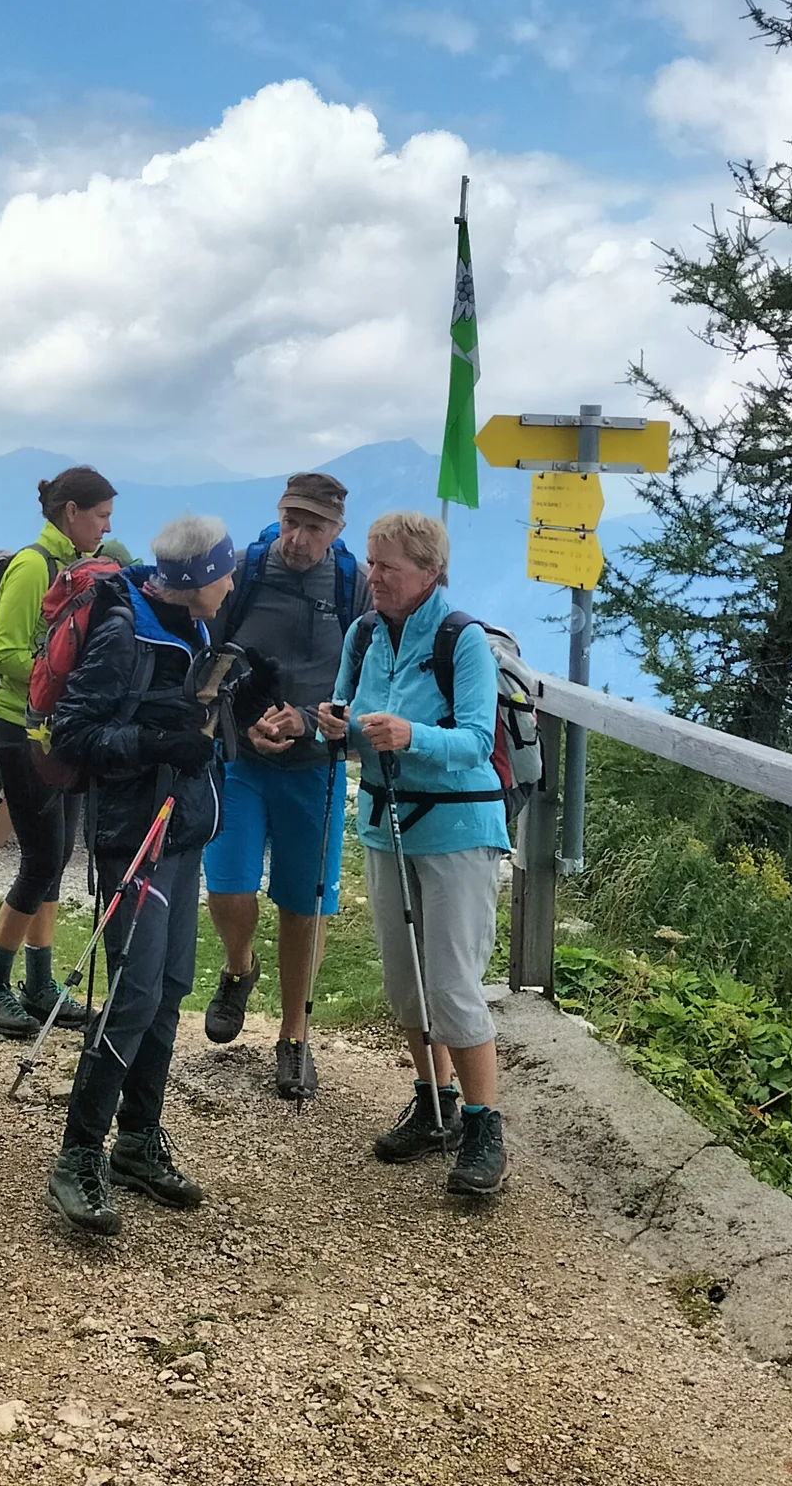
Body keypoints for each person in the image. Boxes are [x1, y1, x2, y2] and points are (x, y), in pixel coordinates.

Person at [43, 514, 235, 1237]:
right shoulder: (127, 630)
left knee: (170, 988)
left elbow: (191, 726)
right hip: (136, 837)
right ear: (193, 580)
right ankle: (78, 1155)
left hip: (180, 832)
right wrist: (159, 741)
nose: (231, 579)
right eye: (223, 570)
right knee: (132, 992)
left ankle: (137, 1142)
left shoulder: (191, 627)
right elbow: (75, 733)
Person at [318, 510, 509, 1197]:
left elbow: (477, 743)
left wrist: (412, 735)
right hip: (387, 826)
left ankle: (485, 1129)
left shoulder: (464, 641)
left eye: (388, 567)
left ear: (430, 573)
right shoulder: (364, 634)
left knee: (453, 986)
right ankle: (435, 1107)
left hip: (458, 831)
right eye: (372, 564)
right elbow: (345, 728)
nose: (374, 578)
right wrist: (325, 729)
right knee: (407, 985)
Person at [202, 473, 372, 1101]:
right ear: (277, 515)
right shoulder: (243, 571)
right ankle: (238, 966)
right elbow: (209, 659)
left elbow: (365, 675)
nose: (299, 540)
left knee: (305, 904)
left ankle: (294, 1035)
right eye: (291, 522)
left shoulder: (352, 586)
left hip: (315, 768)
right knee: (228, 884)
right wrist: (243, 724)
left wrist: (307, 719)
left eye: (315, 528)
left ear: (337, 530)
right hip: (240, 759)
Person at [0, 466, 118, 1038]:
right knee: (40, 859)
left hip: (60, 733)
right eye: (102, 515)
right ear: (72, 512)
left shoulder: (82, 568)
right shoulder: (35, 565)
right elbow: (3, 648)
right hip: (19, 728)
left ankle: (39, 983)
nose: (108, 526)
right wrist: (56, 682)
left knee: (55, 861)